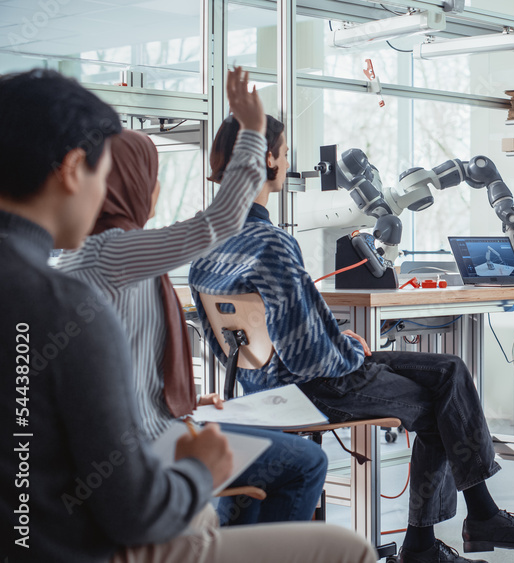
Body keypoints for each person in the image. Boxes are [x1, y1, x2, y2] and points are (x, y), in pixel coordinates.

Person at [0, 69, 374, 563]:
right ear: (73, 169)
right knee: (341, 540)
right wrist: (253, 131)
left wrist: (167, 396)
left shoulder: (52, 273)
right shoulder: (96, 265)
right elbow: (217, 223)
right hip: (89, 532)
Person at [187, 116, 514, 563]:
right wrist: (347, 349)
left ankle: (476, 518)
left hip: (268, 383)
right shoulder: (271, 243)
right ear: (268, 158)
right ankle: (438, 538)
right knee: (443, 405)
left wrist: (336, 336)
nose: (287, 161)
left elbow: (233, 339)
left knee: (450, 370)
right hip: (318, 384)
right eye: (284, 153)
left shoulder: (204, 245)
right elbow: (310, 358)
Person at [56, 67, 329, 527]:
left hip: (147, 425)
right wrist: (253, 132)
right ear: (132, 184)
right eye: (153, 174)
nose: (158, 187)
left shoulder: (87, 256)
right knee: (306, 462)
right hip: (147, 443)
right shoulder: (115, 250)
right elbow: (218, 221)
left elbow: (114, 366)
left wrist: (179, 399)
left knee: (256, 463)